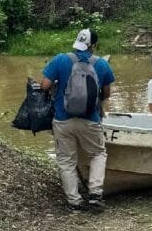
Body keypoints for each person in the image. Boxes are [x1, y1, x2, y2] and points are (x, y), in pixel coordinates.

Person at [41, 28, 115, 212]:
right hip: (90, 120)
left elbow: (45, 85)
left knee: (66, 160)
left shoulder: (60, 59)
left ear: (77, 42)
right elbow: (106, 93)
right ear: (94, 45)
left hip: (63, 119)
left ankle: (74, 202)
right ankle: (95, 195)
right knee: (97, 154)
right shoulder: (102, 64)